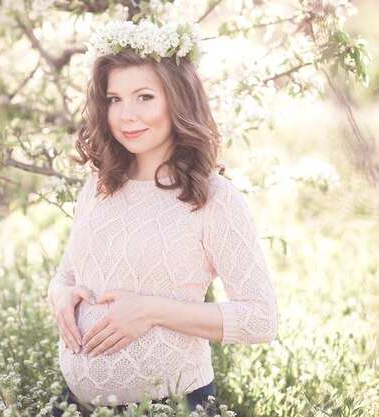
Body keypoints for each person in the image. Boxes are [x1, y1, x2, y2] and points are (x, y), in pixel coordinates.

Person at [46, 20, 279, 416]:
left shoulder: (213, 197)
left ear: (178, 99)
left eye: (144, 97)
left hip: (172, 404)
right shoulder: (99, 186)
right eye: (114, 99)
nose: (125, 115)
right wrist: (60, 295)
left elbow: (261, 319)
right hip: (76, 404)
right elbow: (69, 274)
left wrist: (150, 310)